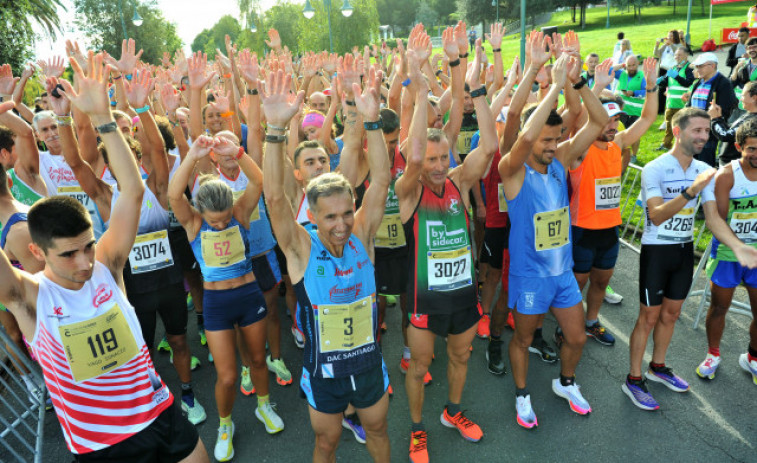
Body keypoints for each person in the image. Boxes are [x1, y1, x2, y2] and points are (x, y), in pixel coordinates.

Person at [0, 54, 208, 462]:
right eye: (69, 254)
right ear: (36, 253)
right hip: (104, 446)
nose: (83, 262)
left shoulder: (106, 266)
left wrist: (104, 120)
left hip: (161, 413)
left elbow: (131, 193)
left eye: (88, 246)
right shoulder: (27, 297)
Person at [263, 66, 392, 463]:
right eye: (330, 217)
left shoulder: (362, 238)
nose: (341, 225)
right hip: (324, 375)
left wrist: (371, 120)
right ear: (313, 217)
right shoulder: (301, 249)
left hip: (368, 365)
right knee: (326, 444)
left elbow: (383, 181)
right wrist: (274, 130)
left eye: (346, 213)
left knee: (378, 431)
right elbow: (273, 199)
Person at [397, 25, 497, 462]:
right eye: (431, 159)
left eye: (444, 158)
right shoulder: (409, 192)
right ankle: (417, 429)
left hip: (462, 296)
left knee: (461, 358)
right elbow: (414, 155)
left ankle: (452, 412)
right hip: (424, 299)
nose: (437, 166)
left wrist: (477, 89)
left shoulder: (458, 182)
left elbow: (490, 145)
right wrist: (420, 90)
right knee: (420, 368)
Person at [499, 33, 609, 429]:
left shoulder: (561, 159)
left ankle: (566, 382)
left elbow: (599, 122)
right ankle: (523, 394)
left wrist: (578, 82)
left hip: (562, 273)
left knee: (577, 339)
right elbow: (523, 133)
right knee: (524, 340)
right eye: (546, 140)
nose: (552, 145)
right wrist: (554, 84)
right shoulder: (511, 171)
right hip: (530, 275)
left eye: (557, 138)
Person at [623, 108, 757, 411]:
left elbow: (712, 219)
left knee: (670, 315)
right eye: (697, 130)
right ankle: (633, 379)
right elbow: (655, 216)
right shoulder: (654, 168)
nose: (703, 136)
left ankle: (658, 367)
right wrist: (689, 191)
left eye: (707, 131)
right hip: (657, 251)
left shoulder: (704, 168)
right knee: (648, 317)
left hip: (683, 252)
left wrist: (737, 246)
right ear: (678, 131)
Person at [169, 134, 284, 461]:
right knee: (228, 375)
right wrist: (192, 156)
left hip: (249, 297)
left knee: (259, 359)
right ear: (201, 213)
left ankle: (264, 405)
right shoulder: (192, 223)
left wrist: (237, 152)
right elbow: (174, 194)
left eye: (223, 219)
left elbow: (257, 180)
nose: (219, 225)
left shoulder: (240, 212)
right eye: (213, 221)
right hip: (218, 306)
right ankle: (224, 424)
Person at [697, 117, 757, 384]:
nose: (756, 154)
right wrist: (740, 247)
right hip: (728, 253)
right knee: (720, 306)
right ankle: (713, 354)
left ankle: (753, 357)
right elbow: (719, 219)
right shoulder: (727, 175)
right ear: (739, 146)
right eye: (751, 148)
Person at [685, 52, 738, 167]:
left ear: (712, 66)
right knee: (692, 164)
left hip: (708, 133)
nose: (697, 69)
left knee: (704, 165)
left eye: (700, 66)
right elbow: (690, 105)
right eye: (696, 66)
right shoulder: (699, 82)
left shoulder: (724, 83)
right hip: (693, 131)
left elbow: (725, 109)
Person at [656, 47, 695, 151]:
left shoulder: (690, 68)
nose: (677, 57)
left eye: (679, 55)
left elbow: (688, 83)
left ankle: (683, 146)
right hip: (670, 103)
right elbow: (667, 82)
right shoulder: (673, 67)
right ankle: (666, 145)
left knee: (683, 128)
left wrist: (677, 76)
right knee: (669, 126)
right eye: (676, 55)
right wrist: (660, 81)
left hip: (682, 105)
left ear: (686, 55)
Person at [710, 81, 757, 166]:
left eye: (742, 95)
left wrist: (715, 119)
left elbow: (725, 135)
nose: (740, 99)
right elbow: (731, 130)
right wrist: (719, 118)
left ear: (754, 98)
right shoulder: (748, 115)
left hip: (734, 166)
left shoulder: (753, 121)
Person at [614, 55, 647, 162]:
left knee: (635, 135)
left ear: (638, 64)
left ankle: (633, 155)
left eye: (634, 65)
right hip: (621, 111)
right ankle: (619, 154)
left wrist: (633, 93)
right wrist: (621, 65)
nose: (631, 68)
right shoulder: (621, 74)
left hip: (636, 111)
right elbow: (609, 70)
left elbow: (646, 91)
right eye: (629, 65)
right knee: (618, 133)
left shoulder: (642, 76)